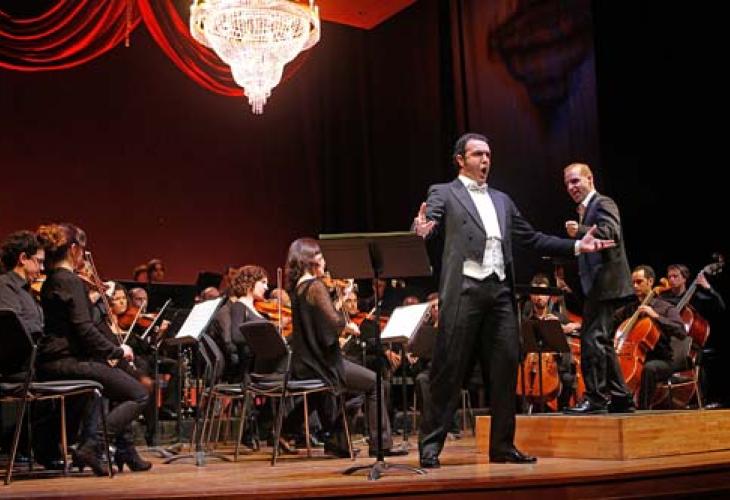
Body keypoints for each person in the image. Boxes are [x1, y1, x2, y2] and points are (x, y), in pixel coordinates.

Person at [412, 133, 613, 467]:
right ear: (460, 160)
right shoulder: (444, 192)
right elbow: (428, 223)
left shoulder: (502, 200)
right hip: (464, 291)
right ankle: (431, 446)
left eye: (488, 155)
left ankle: (503, 446)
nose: (485, 160)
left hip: (499, 293)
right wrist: (421, 227)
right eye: (478, 154)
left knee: (505, 368)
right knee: (448, 370)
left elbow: (531, 238)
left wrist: (578, 246)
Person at [35, 223, 151, 475]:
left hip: (53, 361)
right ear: (73, 249)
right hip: (67, 363)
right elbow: (85, 330)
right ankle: (92, 445)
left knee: (118, 381)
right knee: (139, 394)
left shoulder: (52, 280)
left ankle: (118, 448)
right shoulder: (70, 281)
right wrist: (117, 351)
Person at [284, 237, 408, 458]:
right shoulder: (315, 286)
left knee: (354, 392)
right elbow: (333, 321)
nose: (324, 261)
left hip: (306, 363)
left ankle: (337, 441)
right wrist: (347, 325)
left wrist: (340, 305)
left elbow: (319, 320)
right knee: (375, 383)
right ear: (310, 259)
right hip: (323, 364)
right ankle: (381, 444)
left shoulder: (298, 288)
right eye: (321, 256)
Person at [562, 162, 636, 415]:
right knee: (601, 340)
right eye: (567, 184)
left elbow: (611, 233)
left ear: (590, 179)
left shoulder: (603, 203)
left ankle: (595, 397)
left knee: (592, 338)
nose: (571, 187)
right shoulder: (586, 209)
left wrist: (580, 231)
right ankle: (622, 397)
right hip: (598, 286)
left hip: (607, 284)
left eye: (575, 181)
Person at [613, 265, 686, 409]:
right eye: (633, 283)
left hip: (662, 360)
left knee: (649, 368)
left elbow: (681, 331)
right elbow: (609, 322)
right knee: (610, 362)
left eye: (639, 282)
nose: (635, 286)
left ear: (650, 281)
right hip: (633, 356)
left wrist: (656, 316)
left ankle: (643, 409)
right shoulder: (630, 309)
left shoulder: (665, 307)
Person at [522, 273, 579, 410]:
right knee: (521, 381)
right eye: (535, 293)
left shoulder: (557, 317)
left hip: (554, 366)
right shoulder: (524, 318)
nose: (539, 297)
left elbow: (579, 326)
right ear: (531, 296)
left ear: (548, 296)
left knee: (568, 378)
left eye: (543, 293)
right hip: (531, 366)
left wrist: (565, 327)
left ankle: (563, 411)